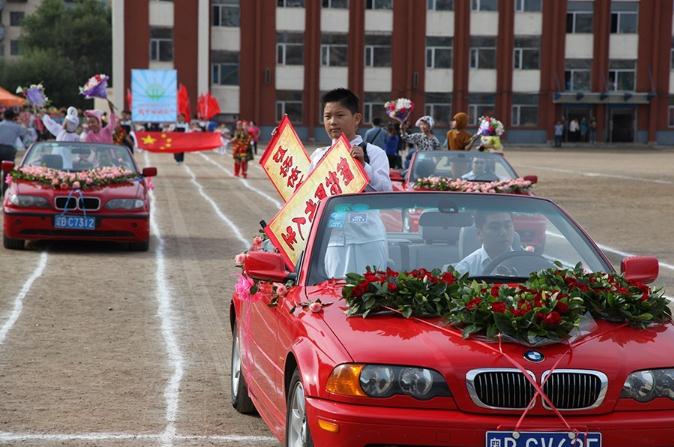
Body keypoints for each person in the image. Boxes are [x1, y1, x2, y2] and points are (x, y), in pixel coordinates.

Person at [313, 88, 391, 278]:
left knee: (370, 297)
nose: (333, 122)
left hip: (368, 239)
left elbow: (385, 192)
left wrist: (363, 166)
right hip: (331, 242)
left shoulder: (373, 153)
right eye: (327, 116)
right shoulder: (318, 157)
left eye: (340, 115)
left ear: (356, 118)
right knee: (334, 298)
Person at [455, 211, 515, 277]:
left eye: (508, 226)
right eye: (495, 227)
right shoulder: (465, 269)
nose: (503, 233)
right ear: (479, 233)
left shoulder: (526, 261)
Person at [0, 108, 29, 195]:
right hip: (9, 150)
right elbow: (25, 131)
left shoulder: (0, 124)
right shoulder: (16, 126)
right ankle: (5, 192)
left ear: (3, 116)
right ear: (13, 117)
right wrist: (22, 122)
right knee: (7, 173)